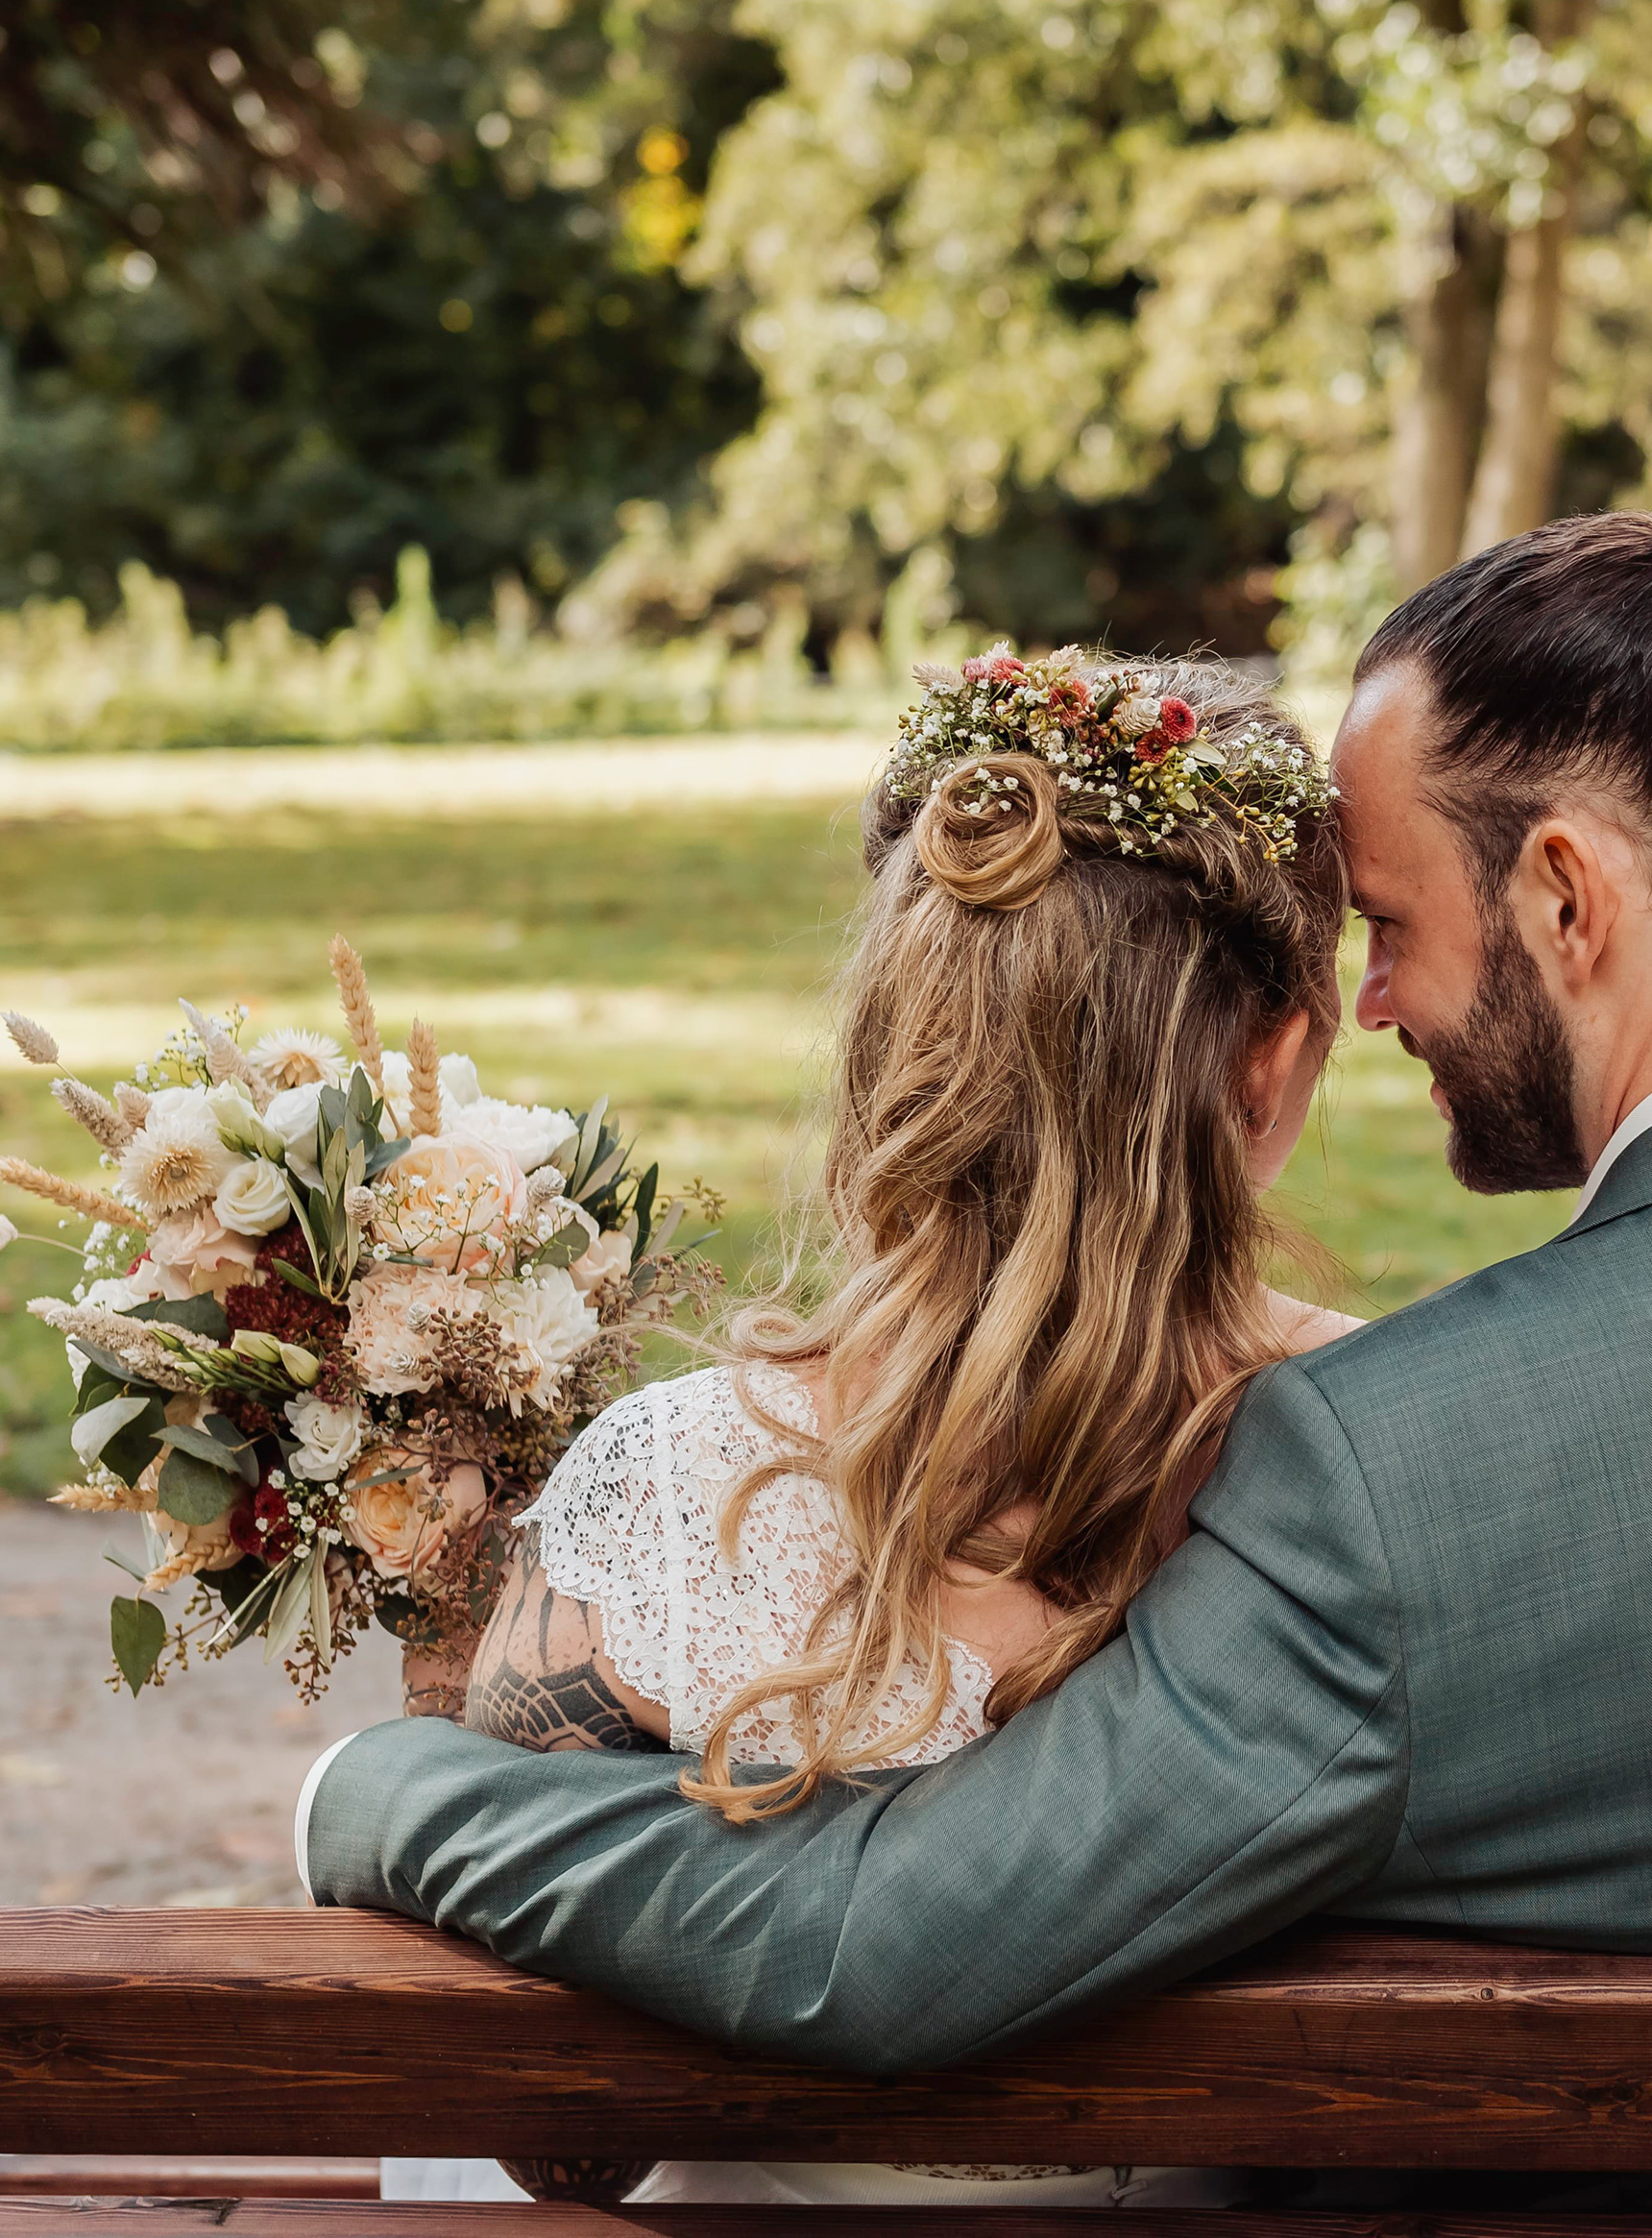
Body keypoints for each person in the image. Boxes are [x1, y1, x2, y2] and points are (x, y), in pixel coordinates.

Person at [304, 372, 1652, 2222]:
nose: (1370, 1013)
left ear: (1563, 895)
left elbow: (885, 1946)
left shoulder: (1395, 1470)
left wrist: (371, 1798)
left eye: (1390, 922)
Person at [372, 651, 1352, 2207]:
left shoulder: (679, 1478)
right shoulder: (1391, 1453)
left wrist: (410, 1748)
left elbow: (549, 2136)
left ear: (893, 1036)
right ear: (1274, 1053)